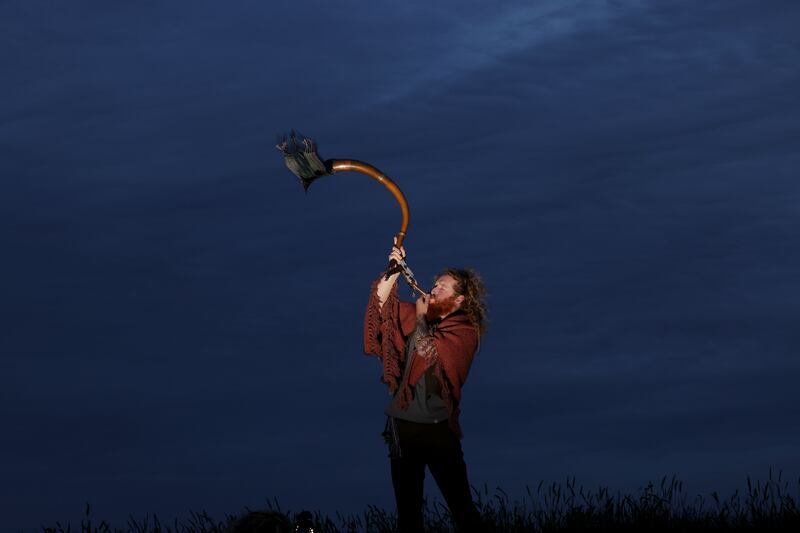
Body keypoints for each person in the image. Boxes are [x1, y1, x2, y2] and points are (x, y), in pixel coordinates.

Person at [363, 240, 488, 533]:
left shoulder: (465, 330)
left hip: (438, 429)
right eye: (435, 285)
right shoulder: (419, 314)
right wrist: (394, 269)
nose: (434, 290)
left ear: (460, 300)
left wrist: (420, 317)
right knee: (408, 516)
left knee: (463, 510)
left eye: (442, 288)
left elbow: (427, 351)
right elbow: (381, 307)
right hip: (402, 427)